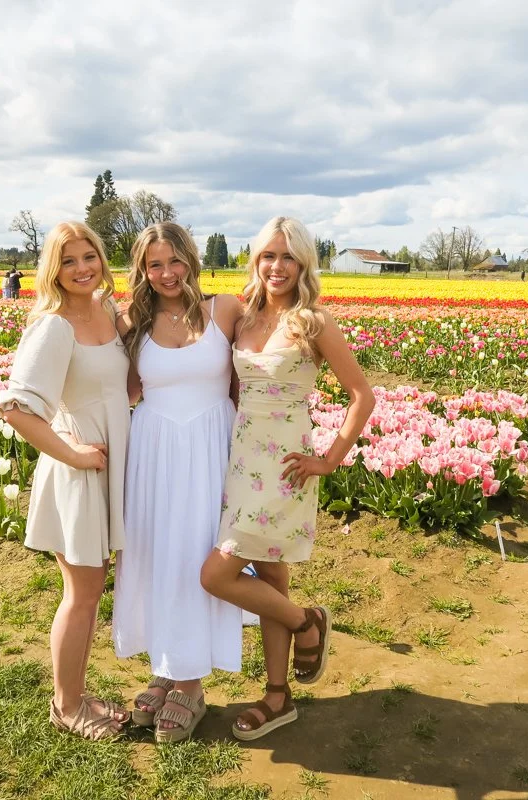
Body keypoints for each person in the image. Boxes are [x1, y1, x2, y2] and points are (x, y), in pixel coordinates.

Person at [200, 216, 375, 741]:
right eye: (268, 256)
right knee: (272, 579)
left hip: (285, 468)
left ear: (303, 264)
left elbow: (362, 395)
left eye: (288, 257)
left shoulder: (314, 323)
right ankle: (279, 696)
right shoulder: (242, 317)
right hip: (241, 461)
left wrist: (330, 459)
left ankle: (306, 623)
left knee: (217, 575)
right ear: (255, 260)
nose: (277, 267)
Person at [0, 221, 132, 741]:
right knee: (82, 593)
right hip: (79, 468)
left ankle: (75, 693)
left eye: (89, 256)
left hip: (104, 462)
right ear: (53, 270)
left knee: (91, 591)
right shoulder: (54, 325)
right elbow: (15, 409)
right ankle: (67, 706)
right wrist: (73, 454)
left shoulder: (105, 312)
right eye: (69, 260)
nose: (82, 268)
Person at [113, 222, 244, 744]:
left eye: (174, 261)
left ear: (191, 258)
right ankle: (166, 668)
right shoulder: (134, 322)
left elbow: (243, 381)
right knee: (158, 555)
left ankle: (190, 682)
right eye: (154, 265)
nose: (166, 274)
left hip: (211, 446)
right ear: (142, 271)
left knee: (196, 554)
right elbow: (124, 391)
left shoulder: (226, 310)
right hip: (155, 449)